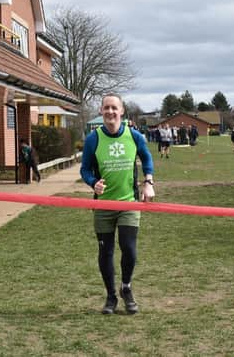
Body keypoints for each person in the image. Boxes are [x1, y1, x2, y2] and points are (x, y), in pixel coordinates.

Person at [80, 93, 155, 315]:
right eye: (106, 108)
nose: (110, 112)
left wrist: (148, 182)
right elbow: (84, 169)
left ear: (122, 112)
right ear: (101, 112)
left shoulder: (134, 136)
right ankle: (111, 296)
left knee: (129, 249)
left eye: (114, 108)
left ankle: (126, 287)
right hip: (103, 206)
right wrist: (93, 183)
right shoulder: (93, 139)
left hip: (129, 203)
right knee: (106, 252)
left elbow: (147, 159)